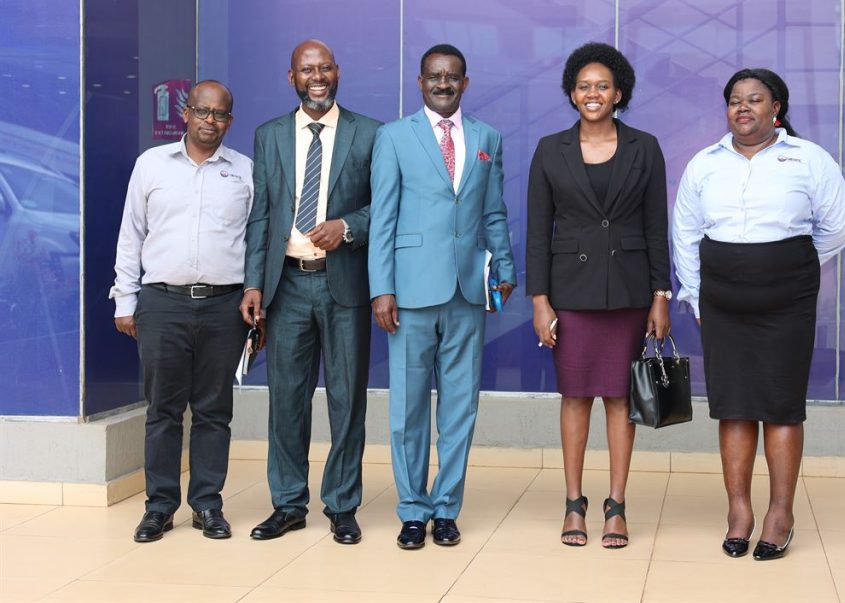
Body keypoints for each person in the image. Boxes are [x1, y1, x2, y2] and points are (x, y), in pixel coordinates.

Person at [672, 68, 845, 560]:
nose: (743, 107)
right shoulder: (704, 164)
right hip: (722, 301)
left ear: (776, 108)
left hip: (787, 299)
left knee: (780, 403)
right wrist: (695, 295)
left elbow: (842, 225)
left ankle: (780, 513)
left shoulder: (808, 158)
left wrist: (793, 263)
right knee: (733, 404)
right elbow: (685, 233)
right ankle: (739, 511)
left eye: (755, 99)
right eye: (735, 100)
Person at [369, 43, 515, 550]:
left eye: (452, 76)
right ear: (420, 82)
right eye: (434, 76)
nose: (443, 84)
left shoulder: (487, 138)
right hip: (408, 293)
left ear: (465, 83)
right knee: (408, 409)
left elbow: (493, 211)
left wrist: (505, 267)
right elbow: (382, 218)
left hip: (467, 290)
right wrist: (382, 288)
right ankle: (413, 510)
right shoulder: (394, 137)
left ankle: (446, 507)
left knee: (460, 408)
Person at [526, 42, 671, 549]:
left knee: (618, 396)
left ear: (619, 93)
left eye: (603, 86)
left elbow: (656, 226)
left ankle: (616, 506)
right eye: (584, 86)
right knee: (574, 396)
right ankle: (574, 503)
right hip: (570, 293)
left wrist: (660, 294)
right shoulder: (550, 149)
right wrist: (539, 299)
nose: (593, 93)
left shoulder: (645, 148)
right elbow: (538, 231)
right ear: (572, 93)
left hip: (628, 292)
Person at [240, 39, 380, 544]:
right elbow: (261, 215)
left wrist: (348, 226)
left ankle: (342, 505)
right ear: (291, 77)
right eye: (306, 70)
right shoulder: (269, 135)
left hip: (345, 283)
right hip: (287, 285)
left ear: (337, 72)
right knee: (286, 400)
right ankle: (288, 504)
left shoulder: (371, 133)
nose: (316, 77)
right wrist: (253, 282)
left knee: (347, 399)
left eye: (324, 68)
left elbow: (387, 205)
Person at [111, 80, 251, 543]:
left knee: (214, 411)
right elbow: (131, 234)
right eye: (203, 111)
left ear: (229, 120)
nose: (211, 121)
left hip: (224, 307)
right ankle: (159, 507)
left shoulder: (244, 171)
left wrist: (257, 302)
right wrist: (125, 300)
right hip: (162, 303)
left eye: (220, 114)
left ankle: (208, 505)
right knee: (163, 410)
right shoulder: (151, 165)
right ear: (186, 113)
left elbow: (255, 242)